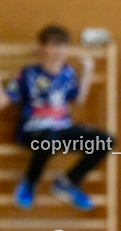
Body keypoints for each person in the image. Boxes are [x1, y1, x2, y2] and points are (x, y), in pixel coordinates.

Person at [0, 25, 112, 211]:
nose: (57, 51)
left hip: (61, 128)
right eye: (52, 45)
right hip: (34, 131)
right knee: (49, 139)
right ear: (42, 47)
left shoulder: (68, 73)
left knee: (104, 141)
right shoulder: (27, 74)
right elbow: (4, 100)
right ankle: (29, 182)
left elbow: (79, 99)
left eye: (61, 46)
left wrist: (88, 71)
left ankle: (68, 182)